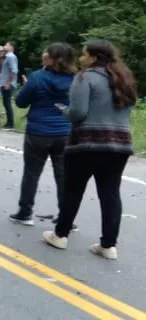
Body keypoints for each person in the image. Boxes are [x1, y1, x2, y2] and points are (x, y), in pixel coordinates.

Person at [42, 41, 138, 260]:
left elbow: (78, 112)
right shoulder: (124, 78)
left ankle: (60, 235)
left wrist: (65, 110)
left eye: (84, 55)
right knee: (110, 193)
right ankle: (108, 245)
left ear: (94, 57)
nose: (80, 59)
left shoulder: (85, 78)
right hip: (120, 145)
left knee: (73, 190)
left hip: (87, 143)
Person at [9, 43, 77, 228]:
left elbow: (21, 102)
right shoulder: (76, 79)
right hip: (65, 131)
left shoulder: (37, 77)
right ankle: (66, 217)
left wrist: (27, 87)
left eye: (46, 52)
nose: (42, 54)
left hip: (38, 131)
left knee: (32, 173)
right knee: (63, 175)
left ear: (51, 57)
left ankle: (25, 212)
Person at [0, 42, 20, 129]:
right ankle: (8, 122)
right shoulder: (7, 56)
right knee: (5, 103)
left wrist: (8, 82)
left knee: (7, 103)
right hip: (6, 83)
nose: (4, 46)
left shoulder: (10, 56)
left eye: (7, 45)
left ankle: (10, 124)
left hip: (8, 84)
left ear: (11, 47)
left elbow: (14, 70)